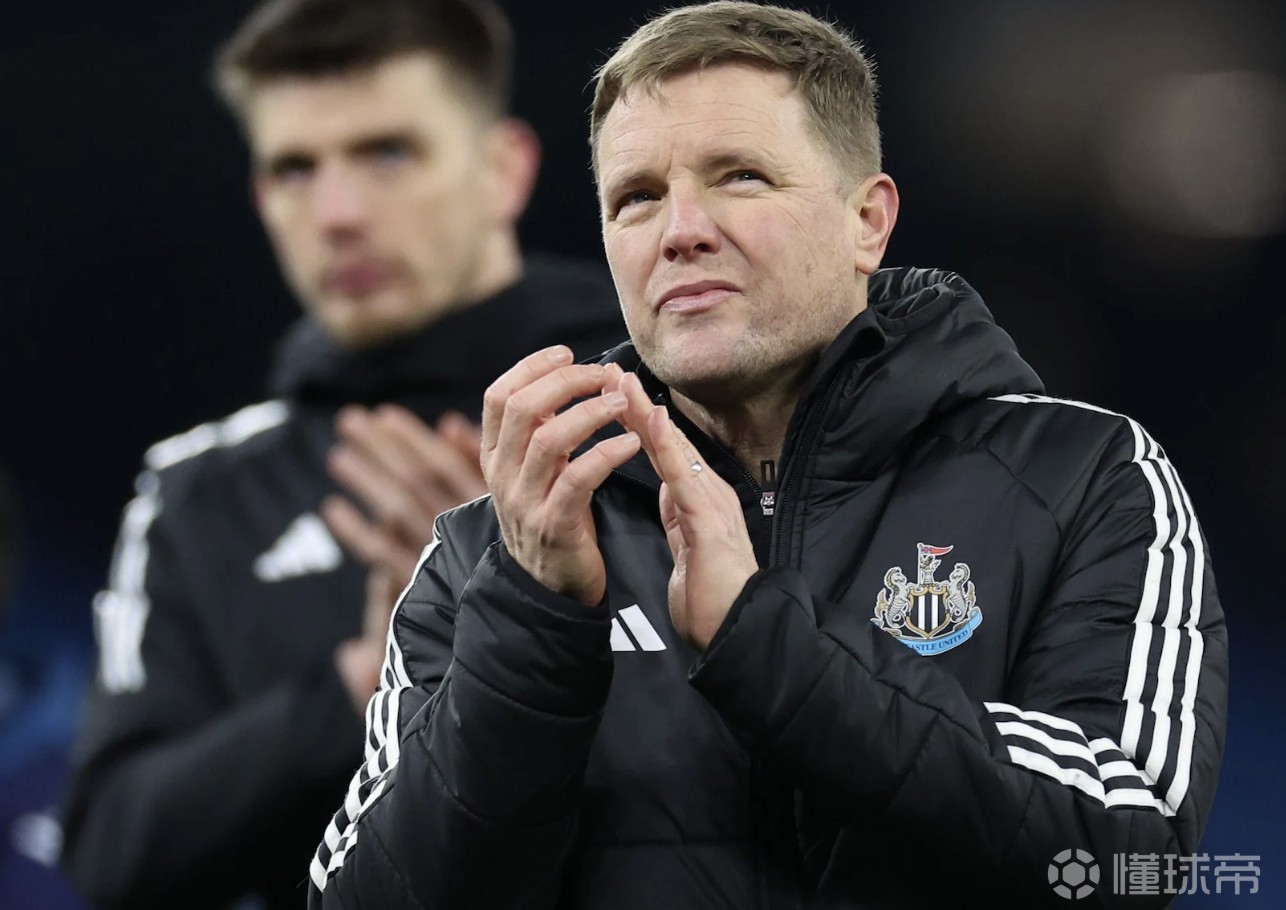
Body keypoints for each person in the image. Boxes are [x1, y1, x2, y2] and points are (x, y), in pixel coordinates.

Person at [307, 2, 1229, 907]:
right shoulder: (494, 556)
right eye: (637, 198)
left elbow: (1123, 851)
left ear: (867, 221)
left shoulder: (1083, 479)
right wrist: (535, 621)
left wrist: (765, 643)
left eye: (740, 176)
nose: (681, 231)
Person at [58, 0, 625, 907]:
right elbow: (111, 848)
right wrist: (369, 679)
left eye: (387, 153)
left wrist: (519, 613)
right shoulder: (204, 492)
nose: (337, 214)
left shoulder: (652, 414)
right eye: (294, 168)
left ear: (503, 171)